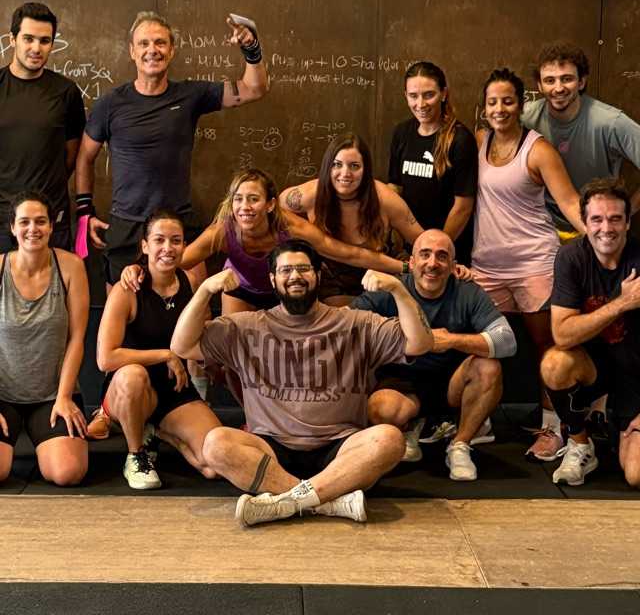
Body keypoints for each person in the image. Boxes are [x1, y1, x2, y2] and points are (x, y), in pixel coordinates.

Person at [170, 239, 433, 526]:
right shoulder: (246, 326)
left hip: (340, 448)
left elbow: (420, 343)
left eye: (303, 269)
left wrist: (398, 290)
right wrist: (205, 291)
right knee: (215, 444)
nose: (295, 276)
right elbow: (182, 346)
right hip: (271, 449)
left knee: (389, 439)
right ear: (273, 279)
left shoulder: (356, 323)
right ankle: (327, 502)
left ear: (318, 275)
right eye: (285, 270)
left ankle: (286, 502)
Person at [75, 10, 269, 284]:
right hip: (126, 225)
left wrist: (251, 48)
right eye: (144, 43)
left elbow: (254, 88)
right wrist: (84, 211)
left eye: (160, 43)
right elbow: (85, 157)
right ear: (132, 51)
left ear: (172, 50)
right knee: (121, 306)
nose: (152, 50)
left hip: (178, 222)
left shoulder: (191, 95)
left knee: (194, 306)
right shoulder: (110, 104)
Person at [473, 68, 584, 461]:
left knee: (547, 347)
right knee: (480, 346)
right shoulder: (479, 142)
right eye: (492, 102)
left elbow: (569, 202)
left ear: (521, 105)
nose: (499, 109)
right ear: (484, 107)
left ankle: (553, 428)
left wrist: (603, 239)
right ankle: (476, 421)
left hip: (534, 262)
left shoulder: (538, 150)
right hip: (486, 266)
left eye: (508, 101)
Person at [121, 168, 409, 315]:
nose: (245, 207)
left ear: (270, 204)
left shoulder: (291, 227)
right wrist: (138, 269)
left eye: (253, 199)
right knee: (232, 355)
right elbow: (175, 259)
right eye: (239, 199)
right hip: (241, 290)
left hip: (284, 291)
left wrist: (404, 268)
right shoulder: (222, 231)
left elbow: (348, 254)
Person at [352, 229, 516, 479]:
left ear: (453, 265)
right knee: (382, 408)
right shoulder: (390, 288)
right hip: (402, 384)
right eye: (425, 254)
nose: (432, 263)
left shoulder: (467, 291)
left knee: (488, 367)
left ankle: (460, 445)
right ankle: (410, 428)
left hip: (452, 384)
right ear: (411, 262)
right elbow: (345, 327)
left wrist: (450, 340)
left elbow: (507, 341)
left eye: (442, 256)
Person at [95, 209, 222, 489]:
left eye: (175, 241)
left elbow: (200, 338)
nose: (168, 247)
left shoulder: (190, 283)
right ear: (145, 246)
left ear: (184, 246)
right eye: (159, 240)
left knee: (213, 464)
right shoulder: (127, 288)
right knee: (133, 375)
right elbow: (105, 359)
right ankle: (136, 454)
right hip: (129, 388)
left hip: (173, 389)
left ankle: (158, 431)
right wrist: (166, 355)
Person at [541, 178, 640, 487]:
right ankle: (580, 443)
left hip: (635, 374)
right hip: (593, 368)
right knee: (554, 364)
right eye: (597, 219)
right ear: (584, 223)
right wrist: (622, 303)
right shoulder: (571, 257)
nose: (605, 228)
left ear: (627, 222)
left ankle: (614, 425)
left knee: (636, 475)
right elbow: (562, 334)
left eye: (615, 219)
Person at [0, 192, 89, 485]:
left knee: (67, 473)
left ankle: (46, 447)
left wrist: (64, 397)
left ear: (51, 226)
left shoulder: (71, 266)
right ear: (13, 227)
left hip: (53, 395)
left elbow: (77, 338)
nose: (32, 229)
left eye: (40, 221)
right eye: (24, 222)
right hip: (3, 395)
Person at [280, 133, 424, 305]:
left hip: (382, 272)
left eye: (354, 166)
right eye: (337, 165)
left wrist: (425, 265)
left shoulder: (386, 200)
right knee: (342, 315)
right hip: (333, 279)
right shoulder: (308, 195)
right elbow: (274, 207)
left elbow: (424, 241)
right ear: (327, 167)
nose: (345, 173)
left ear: (366, 170)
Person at [522, 42, 640, 238]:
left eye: (567, 79)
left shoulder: (610, 122)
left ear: (582, 82)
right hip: (541, 230)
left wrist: (628, 212)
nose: (558, 88)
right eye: (550, 80)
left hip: (596, 231)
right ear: (539, 86)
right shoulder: (525, 118)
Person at [0, 3, 86, 252]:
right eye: (28, 39)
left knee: (56, 278)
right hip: (2, 221)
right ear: (12, 39)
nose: (36, 48)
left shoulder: (66, 92)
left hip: (51, 221)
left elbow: (72, 155)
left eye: (45, 41)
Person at [388, 62, 478, 264]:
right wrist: (399, 240)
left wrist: (434, 252)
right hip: (409, 253)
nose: (421, 104)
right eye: (413, 96)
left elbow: (463, 207)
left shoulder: (460, 140)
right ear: (406, 96)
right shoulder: (401, 133)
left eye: (429, 95)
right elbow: (394, 189)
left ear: (443, 94)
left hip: (446, 254)